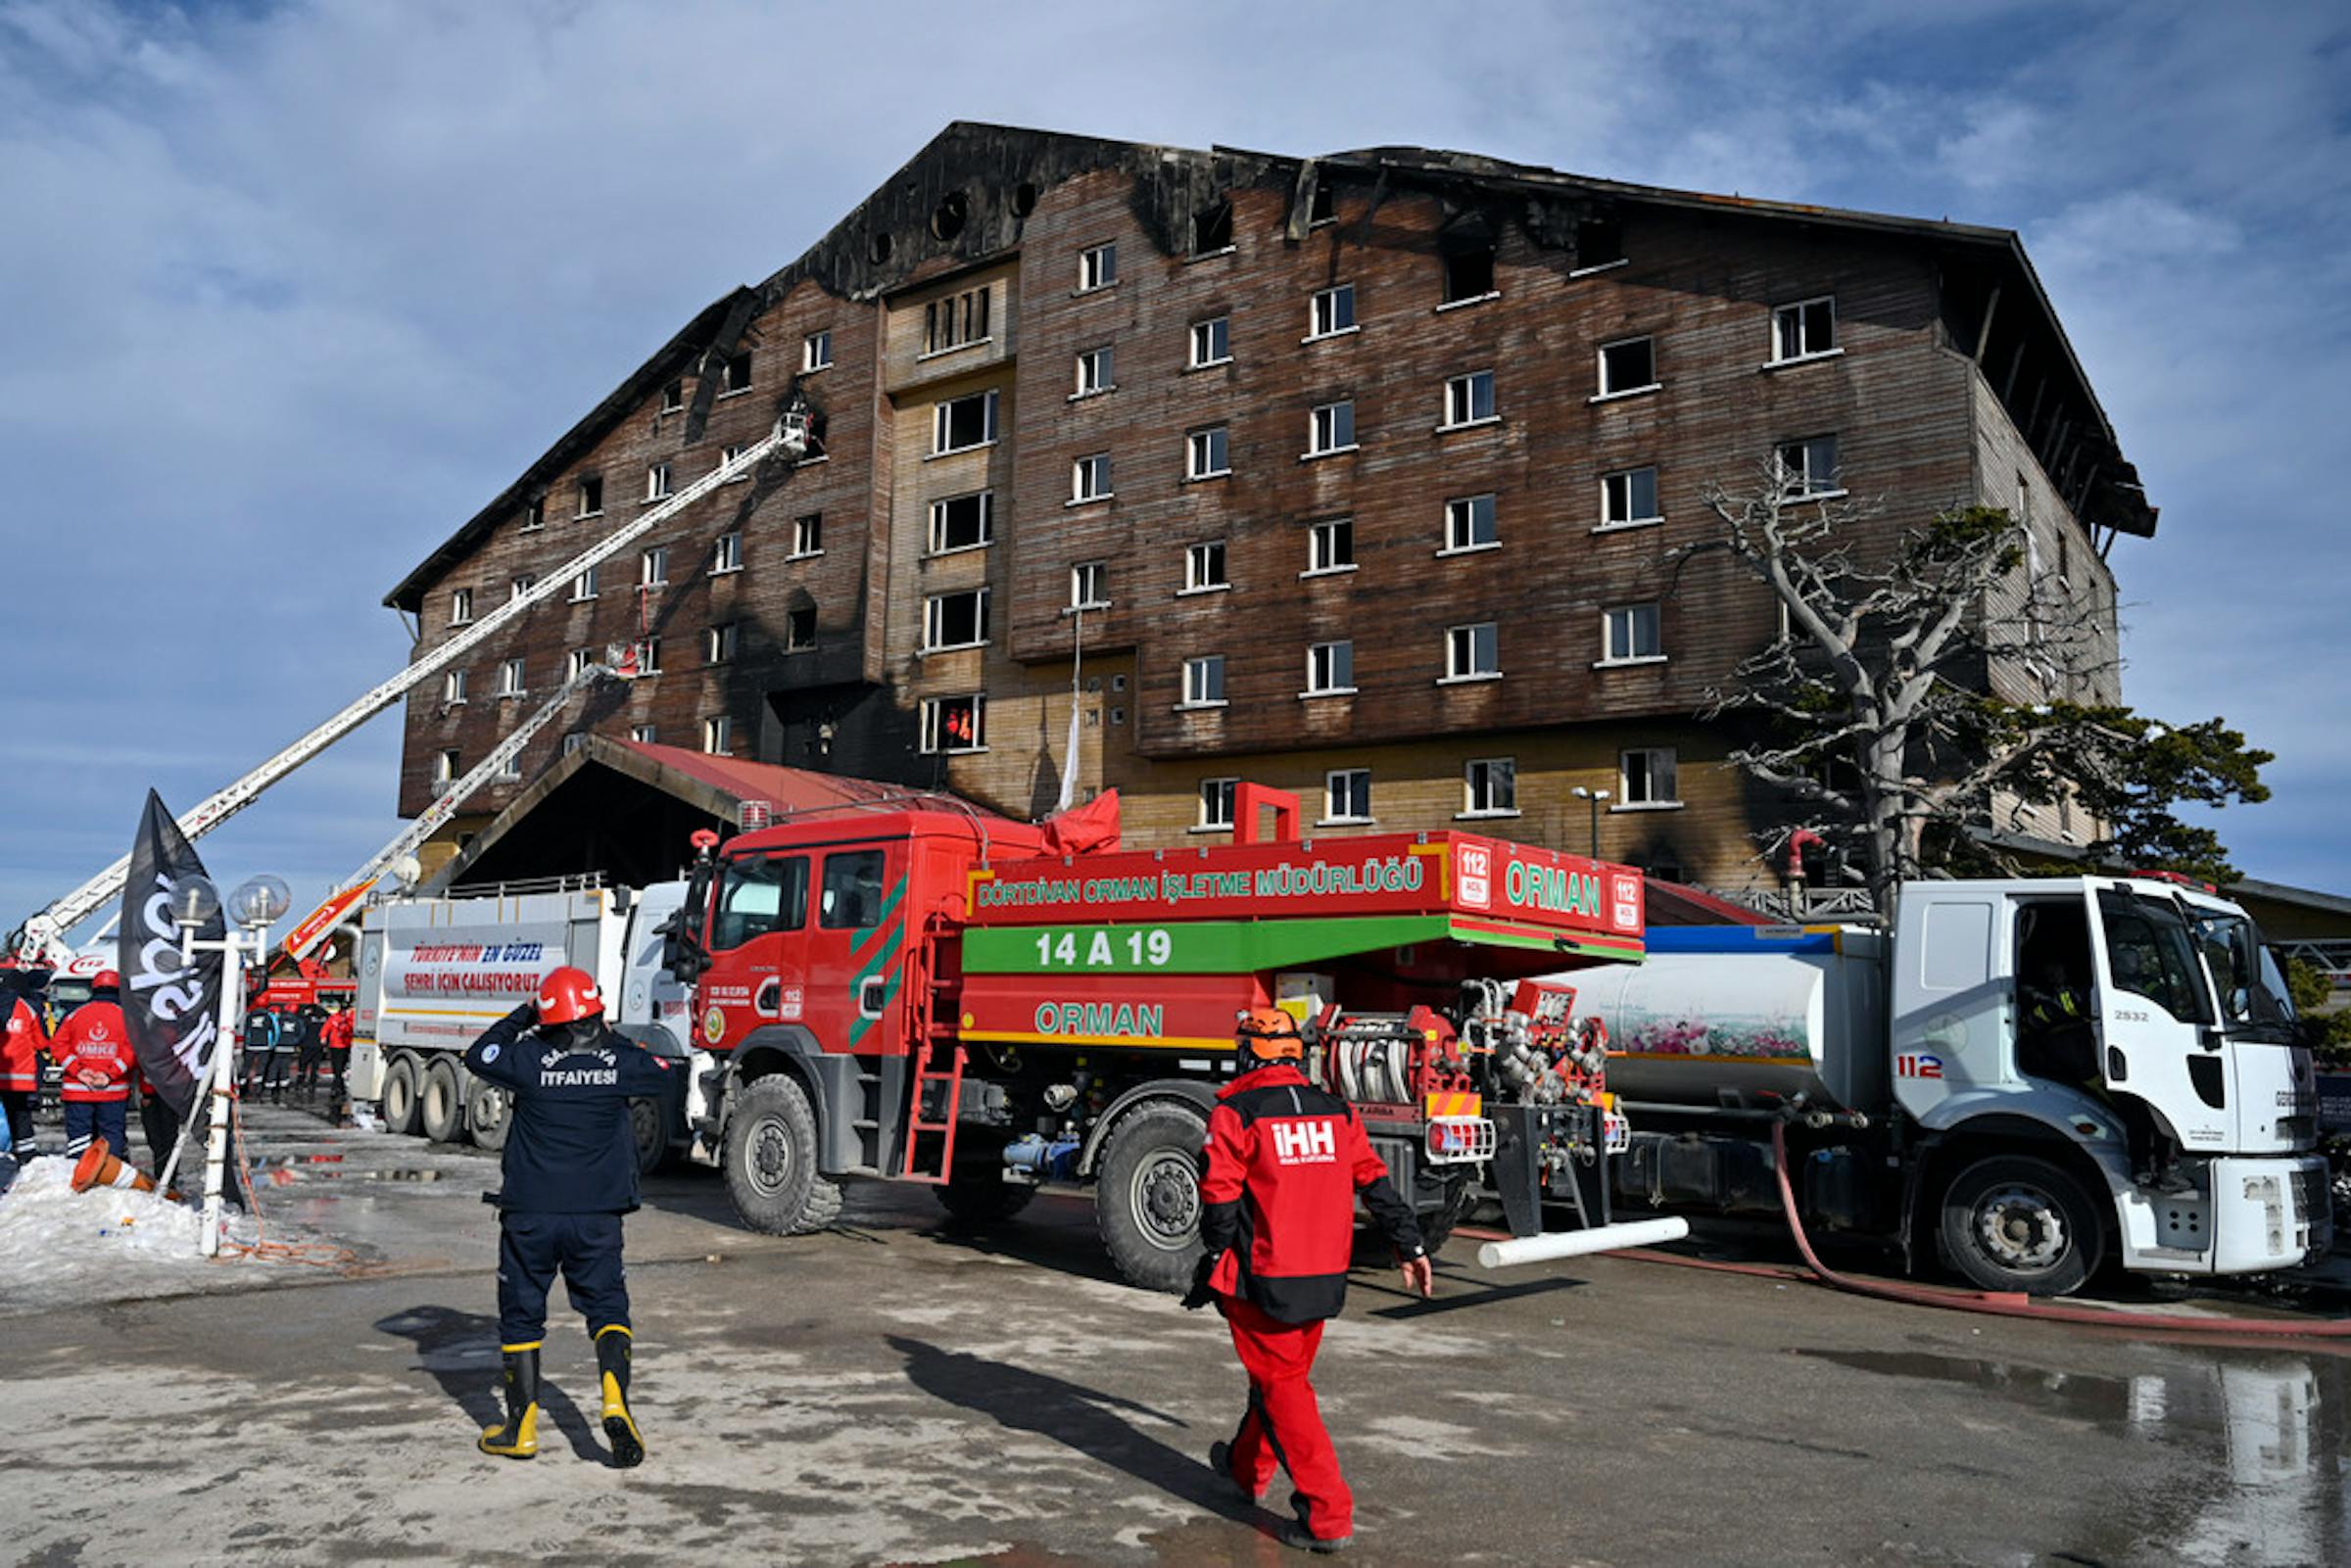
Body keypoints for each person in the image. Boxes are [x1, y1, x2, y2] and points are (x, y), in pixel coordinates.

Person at [1184, 1007, 1433, 1554]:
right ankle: (1246, 1471)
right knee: (1280, 1379)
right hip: (1324, 1277)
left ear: (1247, 1053)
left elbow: (1220, 1196)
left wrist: (1213, 1257)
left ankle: (1327, 1514)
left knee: (1283, 1388)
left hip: (1264, 1277)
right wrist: (1410, 1245)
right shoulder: (1336, 1111)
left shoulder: (1236, 1111)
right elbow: (1375, 1180)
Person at [462, 967, 674, 1465]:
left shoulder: (528, 1057)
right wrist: (608, 1039)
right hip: (597, 1216)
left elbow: (479, 1053)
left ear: (548, 1015)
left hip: (530, 1215)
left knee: (521, 1317)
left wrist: (525, 1014)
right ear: (595, 1013)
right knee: (607, 1310)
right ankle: (614, 1398)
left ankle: (521, 1430)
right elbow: (667, 1076)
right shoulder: (621, 1060)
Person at [46, 970, 135, 1164]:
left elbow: (57, 1045)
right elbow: (132, 1051)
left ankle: (78, 1175)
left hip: (78, 1090)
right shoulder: (126, 1017)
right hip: (113, 1091)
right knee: (112, 1135)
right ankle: (109, 1177)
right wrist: (110, 1074)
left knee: (79, 1139)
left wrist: (78, 1071)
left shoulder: (75, 1014)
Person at [1, 963, 48, 1161]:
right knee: (21, 1117)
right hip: (19, 1078)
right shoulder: (27, 1009)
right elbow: (41, 1042)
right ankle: (25, 1156)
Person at [322, 1001, 355, 1117]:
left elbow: (352, 1029)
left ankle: (339, 1086)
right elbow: (326, 1027)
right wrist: (323, 1037)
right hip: (335, 1046)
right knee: (336, 1068)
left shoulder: (351, 1018)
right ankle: (337, 1086)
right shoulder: (334, 1018)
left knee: (343, 1067)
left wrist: (348, 1020)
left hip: (346, 1045)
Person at [240, 1007, 278, 1099]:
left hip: (250, 1045)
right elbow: (275, 1031)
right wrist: (273, 1044)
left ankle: (241, 1088)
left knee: (246, 1067)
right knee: (261, 1068)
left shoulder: (249, 1016)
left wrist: (245, 1044)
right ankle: (258, 1091)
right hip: (264, 1046)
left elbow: (245, 1030)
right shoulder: (269, 1016)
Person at [294, 1001, 328, 1101]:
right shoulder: (325, 1018)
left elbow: (300, 1028)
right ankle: (312, 1085)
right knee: (315, 1066)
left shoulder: (306, 1018)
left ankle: (300, 1084)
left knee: (303, 1066)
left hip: (307, 1044)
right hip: (319, 1045)